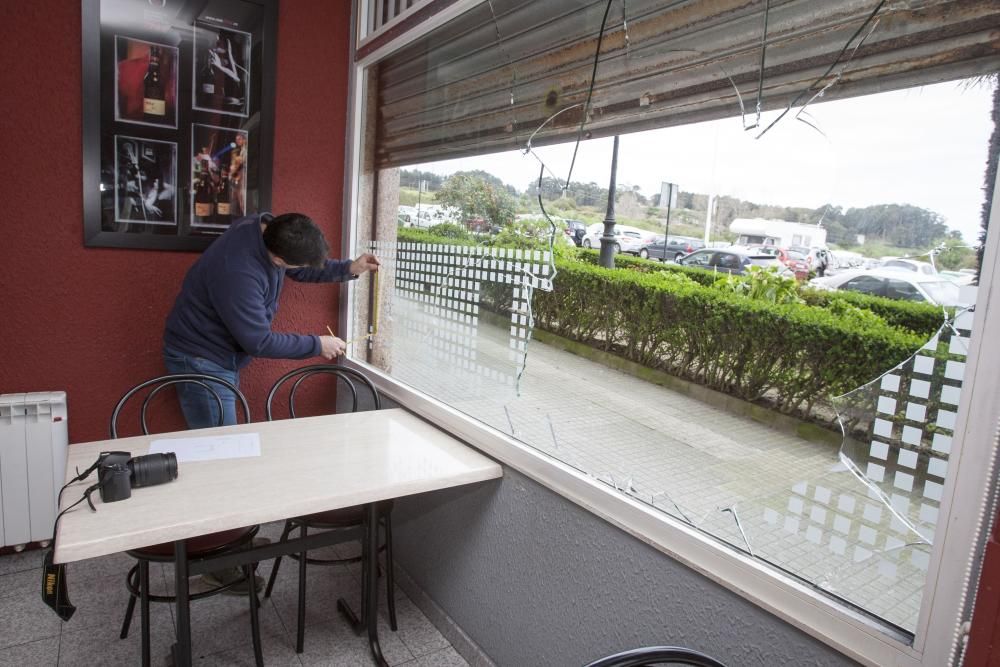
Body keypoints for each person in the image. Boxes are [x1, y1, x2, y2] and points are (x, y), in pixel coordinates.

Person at [162, 211, 378, 593]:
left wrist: (349, 268)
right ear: (276, 257)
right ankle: (217, 565)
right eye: (288, 264)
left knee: (224, 458)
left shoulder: (266, 230)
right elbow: (257, 342)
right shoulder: (238, 271)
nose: (291, 269)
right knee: (220, 465)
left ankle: (231, 543)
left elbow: (301, 267)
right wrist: (318, 344)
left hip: (214, 355)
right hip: (200, 361)